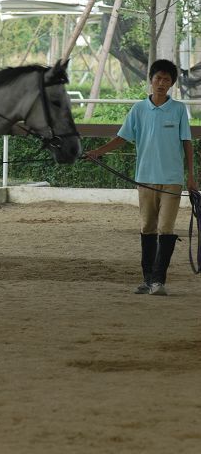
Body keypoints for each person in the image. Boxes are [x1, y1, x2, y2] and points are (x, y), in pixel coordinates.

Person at [86, 59, 197, 296]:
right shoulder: (138, 109)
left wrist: (191, 177)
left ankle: (158, 281)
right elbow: (121, 138)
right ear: (151, 79)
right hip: (145, 178)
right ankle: (147, 279)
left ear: (172, 84)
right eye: (158, 78)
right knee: (147, 228)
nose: (161, 83)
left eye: (166, 80)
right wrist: (97, 152)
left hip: (172, 180)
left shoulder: (178, 110)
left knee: (166, 229)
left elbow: (187, 144)